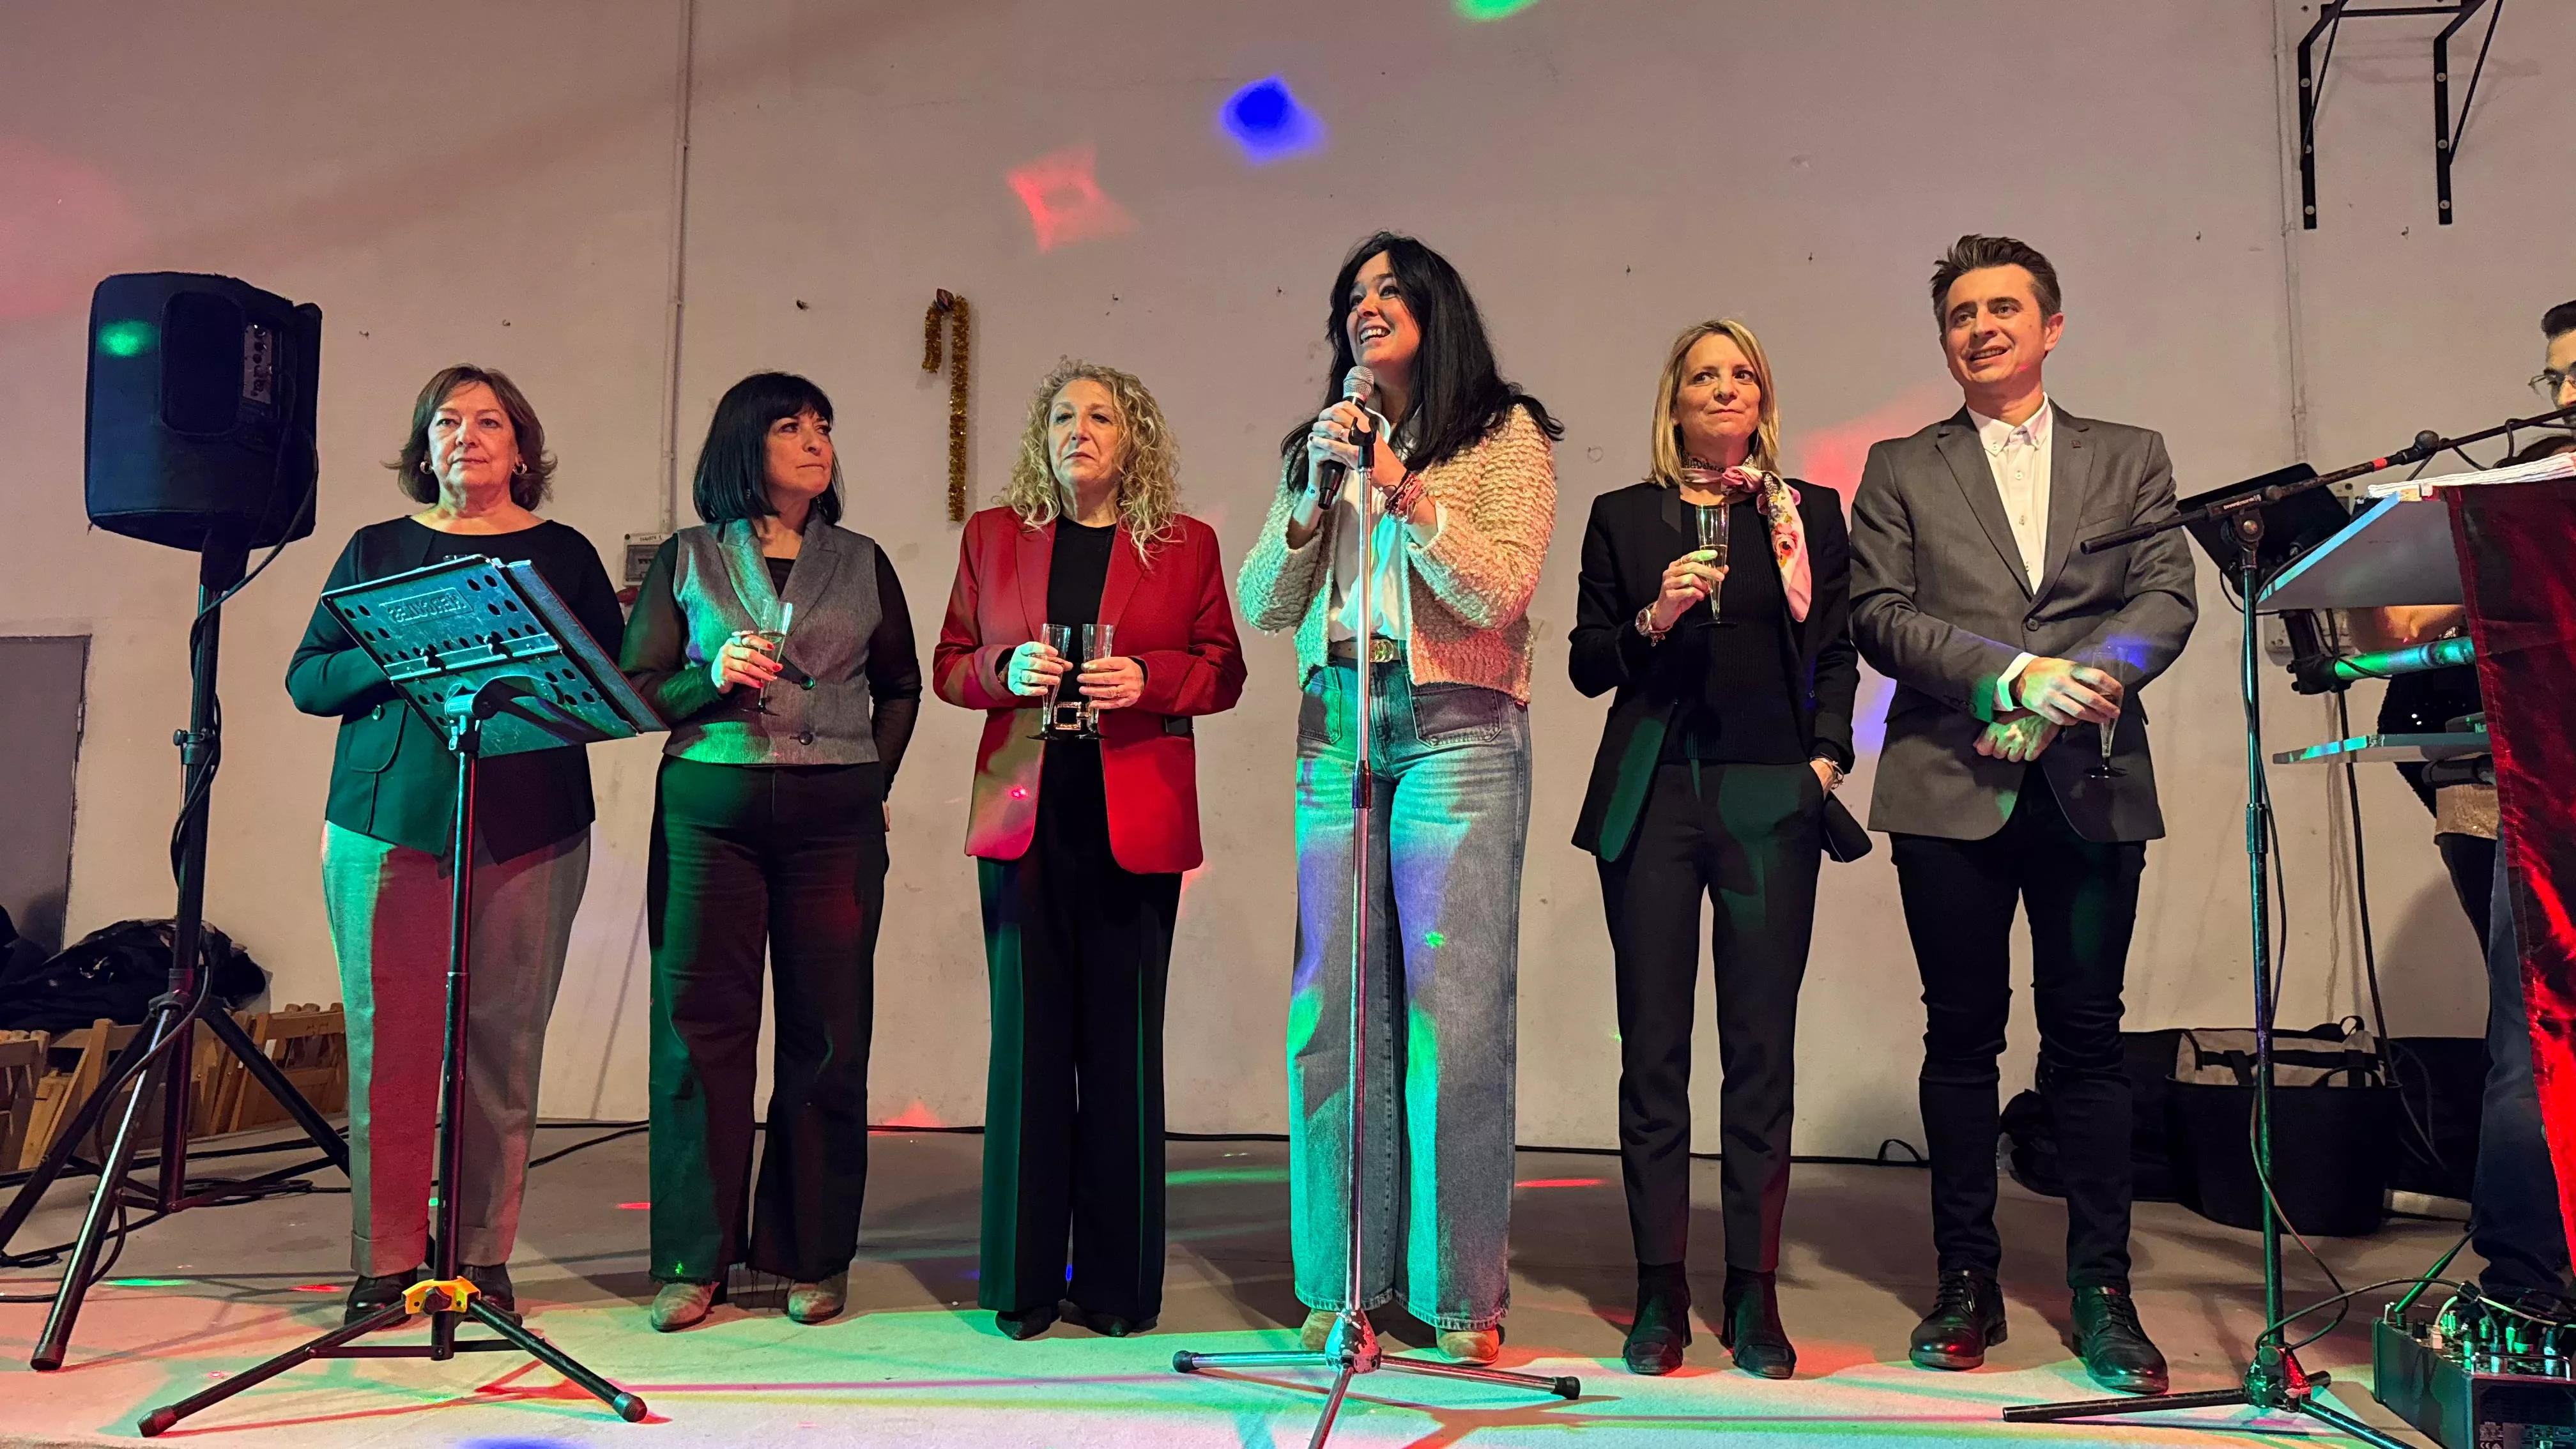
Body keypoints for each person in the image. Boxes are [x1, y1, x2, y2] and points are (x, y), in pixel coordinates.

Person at [1848, 236, 2197, 1395]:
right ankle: (1965, 1280)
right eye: (1961, 314)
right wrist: (2014, 677)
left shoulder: (2130, 453)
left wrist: (2073, 690)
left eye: (2003, 308)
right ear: (1945, 339)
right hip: (1947, 786)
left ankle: (2104, 1293)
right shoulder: (1902, 465)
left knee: (2089, 1043)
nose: (1981, 327)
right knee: (1960, 1041)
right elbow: (1880, 615)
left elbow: (2167, 597)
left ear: (2051, 327)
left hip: (2092, 782)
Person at [1236, 232, 1560, 1365]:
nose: (1366, 306)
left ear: (1434, 308)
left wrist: (1402, 488)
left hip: (1454, 729)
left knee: (1451, 1017)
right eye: (1353, 295)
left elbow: (1497, 589)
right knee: (1331, 1013)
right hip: (1336, 723)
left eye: (1388, 290)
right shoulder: (1322, 442)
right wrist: (1312, 498)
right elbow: (1264, 603)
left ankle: (1461, 1296)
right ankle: (1341, 1282)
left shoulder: (1502, 435)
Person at [287, 364, 622, 1325]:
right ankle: (387, 1260)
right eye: (446, 421)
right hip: (386, 818)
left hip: (531, 825)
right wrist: (400, 651)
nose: (466, 435)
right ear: (424, 447)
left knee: (504, 1049)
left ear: (521, 449)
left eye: (489, 421)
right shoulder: (376, 549)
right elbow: (309, 680)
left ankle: (481, 1254)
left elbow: (609, 681)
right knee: (386, 1045)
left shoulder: (562, 552)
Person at [932, 359, 1245, 1340]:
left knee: (1122, 1053)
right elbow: (950, 666)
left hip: (1134, 821)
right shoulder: (994, 536)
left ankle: (1116, 1287)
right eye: (1063, 415)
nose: (1079, 429)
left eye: (1101, 416)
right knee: (1028, 1049)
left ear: (1132, 437)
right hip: (1023, 818)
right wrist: (1003, 667)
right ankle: (1022, 1282)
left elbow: (1223, 671)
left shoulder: (1186, 545)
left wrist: (1148, 679)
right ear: (1044, 437)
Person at [1568, 319, 1857, 1377]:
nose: (1725, 388)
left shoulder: (1807, 513)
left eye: (1743, 374)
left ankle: (1752, 1286)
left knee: (1760, 1050)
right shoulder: (1624, 515)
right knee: (1653, 1051)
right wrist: (1655, 616)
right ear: (1676, 402)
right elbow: (1587, 665)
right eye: (1704, 375)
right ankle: (1659, 1288)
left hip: (1772, 794)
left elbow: (1837, 650)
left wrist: (1824, 763)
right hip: (1654, 795)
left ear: (1762, 399)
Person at [620, 371, 922, 1331]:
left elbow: (901, 686)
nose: (815, 441)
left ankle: (811, 1253)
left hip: (835, 815)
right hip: (708, 809)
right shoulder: (689, 557)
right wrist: (711, 675)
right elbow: (638, 687)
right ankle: (693, 1258)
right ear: (744, 444)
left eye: (823, 425)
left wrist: (871, 779)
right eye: (791, 426)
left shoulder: (862, 559)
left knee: (828, 1033)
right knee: (698, 1027)